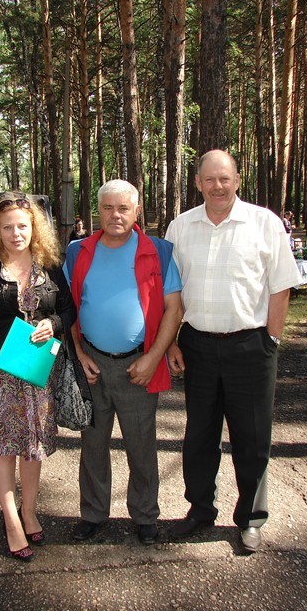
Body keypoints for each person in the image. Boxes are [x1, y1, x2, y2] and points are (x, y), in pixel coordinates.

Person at [165, 150, 302, 553]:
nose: (218, 186)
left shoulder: (264, 223)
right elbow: (170, 292)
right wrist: (170, 341)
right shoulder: (180, 227)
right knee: (199, 434)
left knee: (252, 437)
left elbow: (281, 286)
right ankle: (200, 510)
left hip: (251, 346)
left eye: (224, 178)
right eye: (209, 179)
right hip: (198, 346)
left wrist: (270, 340)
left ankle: (251, 518)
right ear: (198, 183)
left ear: (237, 180)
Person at [63, 179, 183, 545]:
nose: (115, 215)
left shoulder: (159, 251)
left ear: (137, 211)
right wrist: (79, 354)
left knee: (141, 445)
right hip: (93, 365)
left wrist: (153, 357)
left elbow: (174, 309)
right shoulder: (78, 251)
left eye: (123, 208)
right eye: (108, 208)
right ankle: (93, 513)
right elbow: (66, 308)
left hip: (138, 367)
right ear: (98, 211)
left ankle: (145, 516)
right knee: (93, 445)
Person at [0, 192, 76, 562]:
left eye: (22, 226)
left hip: (38, 369)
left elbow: (69, 311)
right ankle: (12, 521)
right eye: (7, 227)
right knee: (3, 447)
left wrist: (52, 323)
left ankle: (29, 510)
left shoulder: (50, 267)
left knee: (32, 444)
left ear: (34, 228)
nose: (16, 234)